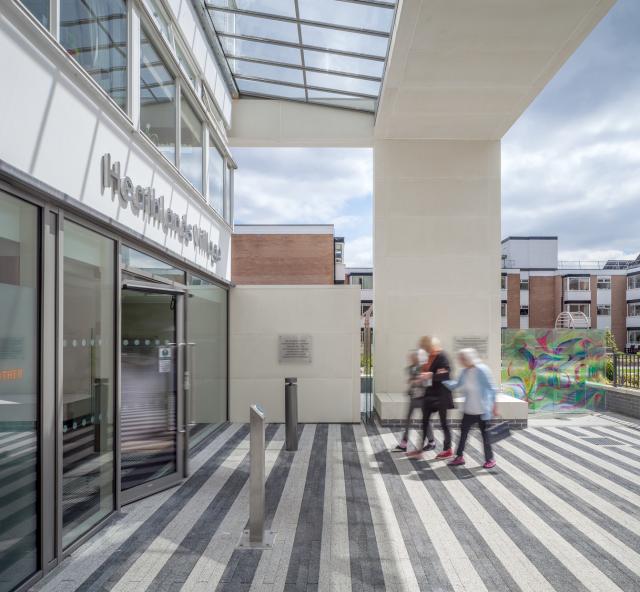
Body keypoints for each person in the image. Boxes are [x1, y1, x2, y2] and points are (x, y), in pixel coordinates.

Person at [446, 348, 498, 469]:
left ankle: (490, 459)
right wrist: (442, 380)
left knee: (485, 437)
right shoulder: (464, 371)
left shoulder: (482, 370)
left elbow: (493, 389)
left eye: (461, 359)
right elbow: (457, 385)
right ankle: (459, 457)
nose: (460, 361)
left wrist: (494, 407)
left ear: (468, 359)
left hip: (482, 411)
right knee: (463, 435)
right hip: (468, 410)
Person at [407, 336, 453, 459]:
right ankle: (419, 450)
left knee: (444, 423)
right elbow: (425, 373)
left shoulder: (442, 356)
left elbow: (446, 374)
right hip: (430, 394)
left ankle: (448, 449)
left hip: (441, 395)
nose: (423, 350)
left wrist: (430, 375)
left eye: (425, 347)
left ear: (430, 346)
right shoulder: (427, 357)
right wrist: (420, 378)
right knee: (424, 422)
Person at [394, 350, 434, 451]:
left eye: (413, 357)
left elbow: (428, 383)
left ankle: (431, 442)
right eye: (410, 357)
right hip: (413, 397)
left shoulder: (425, 367)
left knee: (426, 420)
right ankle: (404, 444)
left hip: (423, 398)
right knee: (408, 420)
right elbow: (412, 380)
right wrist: (414, 382)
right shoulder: (410, 368)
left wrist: (418, 381)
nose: (410, 359)